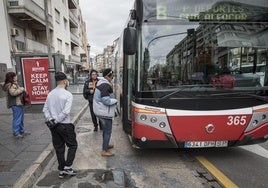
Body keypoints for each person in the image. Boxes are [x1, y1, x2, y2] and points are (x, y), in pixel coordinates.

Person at [43, 71, 77, 178]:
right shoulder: (68, 94)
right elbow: (66, 112)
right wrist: (56, 120)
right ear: (64, 81)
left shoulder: (50, 94)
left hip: (54, 126)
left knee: (59, 148)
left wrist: (51, 120)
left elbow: (45, 109)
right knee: (72, 145)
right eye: (67, 80)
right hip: (65, 125)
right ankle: (68, 167)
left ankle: (61, 170)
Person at [93, 68, 118, 157]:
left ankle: (105, 145)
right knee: (108, 131)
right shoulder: (105, 85)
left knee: (105, 130)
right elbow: (106, 101)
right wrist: (115, 101)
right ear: (108, 76)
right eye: (112, 76)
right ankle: (104, 150)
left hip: (101, 111)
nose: (113, 77)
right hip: (104, 112)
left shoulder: (101, 82)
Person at [2, 72, 30, 138]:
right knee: (17, 118)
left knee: (21, 118)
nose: (16, 77)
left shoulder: (14, 84)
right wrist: (21, 89)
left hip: (19, 103)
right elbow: (13, 93)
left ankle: (22, 130)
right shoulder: (11, 85)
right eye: (15, 76)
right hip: (15, 104)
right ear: (12, 77)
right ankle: (16, 133)